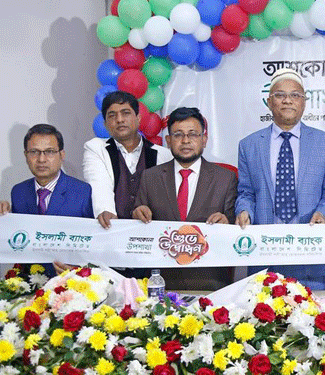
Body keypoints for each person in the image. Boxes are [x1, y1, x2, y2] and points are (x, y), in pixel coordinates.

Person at [235, 68, 325, 290]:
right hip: (264, 255)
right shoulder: (249, 145)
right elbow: (246, 192)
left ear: (304, 102)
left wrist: (324, 214)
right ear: (269, 102)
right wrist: (244, 211)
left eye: (295, 95)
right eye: (280, 95)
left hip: (310, 254)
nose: (288, 100)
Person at [133, 107, 237, 290]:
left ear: (204, 140)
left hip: (210, 283)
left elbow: (235, 230)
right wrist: (138, 215)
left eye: (193, 134)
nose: (186, 140)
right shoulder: (150, 177)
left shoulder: (225, 178)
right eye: (178, 134)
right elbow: (138, 227)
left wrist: (226, 222)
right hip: (161, 282)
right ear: (168, 141)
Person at [11, 124, 93, 275]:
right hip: (31, 281)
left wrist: (79, 270)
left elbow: (95, 243)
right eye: (34, 152)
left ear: (62, 155)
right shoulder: (18, 192)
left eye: (49, 152)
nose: (41, 159)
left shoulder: (83, 192)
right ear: (26, 155)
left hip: (72, 282)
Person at [84, 91, 172, 229]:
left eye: (126, 113)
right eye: (112, 115)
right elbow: (98, 184)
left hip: (152, 231)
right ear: (105, 124)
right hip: (111, 230)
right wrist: (106, 212)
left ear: (138, 118)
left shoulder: (164, 155)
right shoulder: (96, 148)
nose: (119, 120)